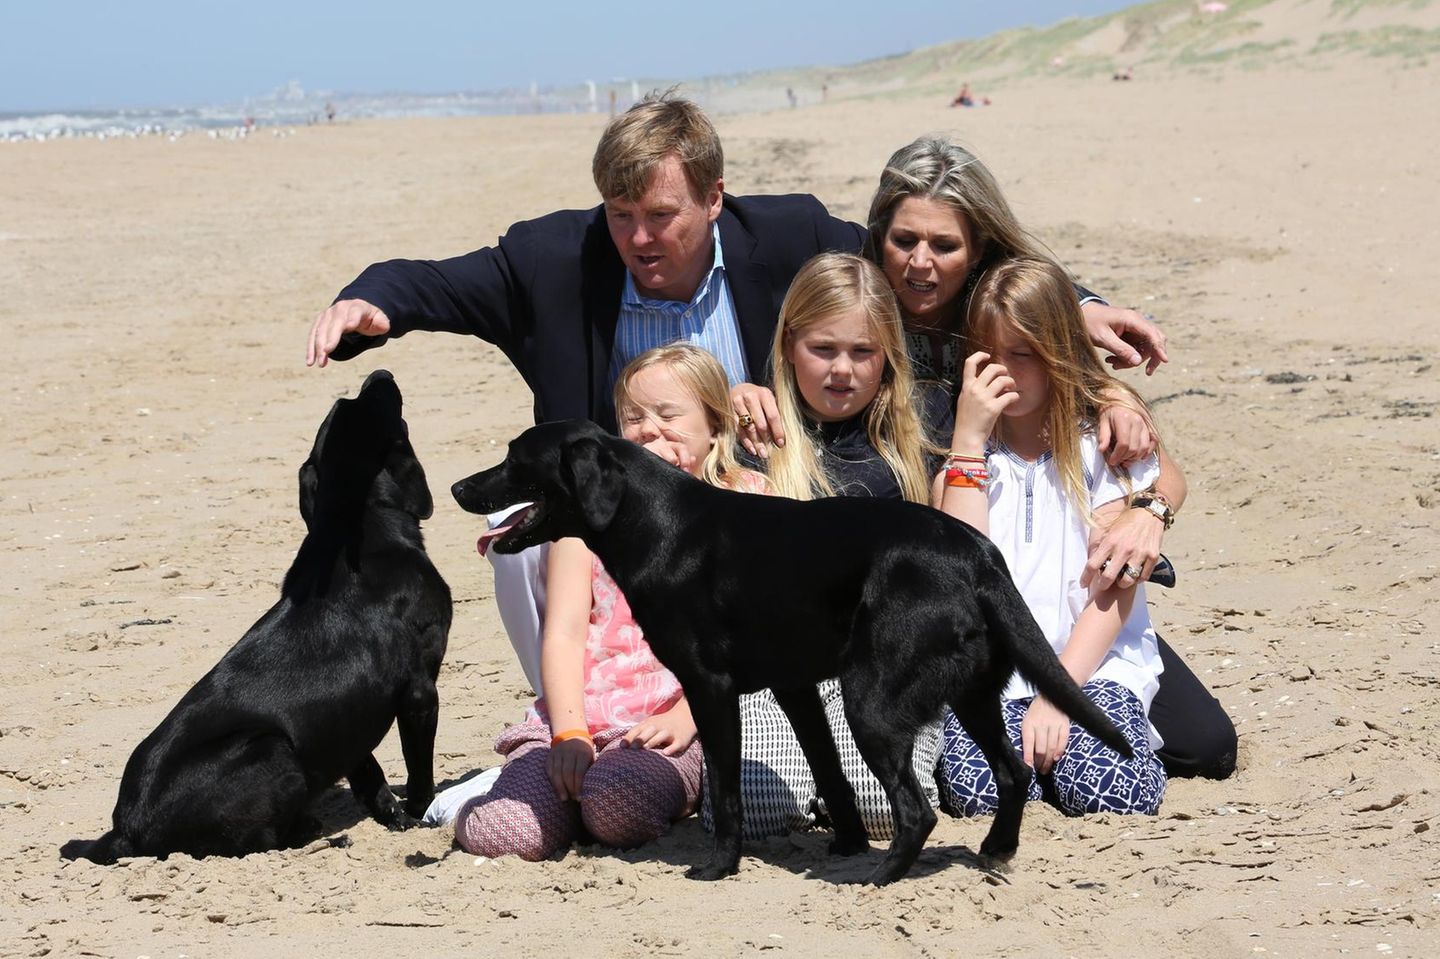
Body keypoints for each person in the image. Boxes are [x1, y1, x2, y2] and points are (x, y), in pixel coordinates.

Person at [860, 136, 1236, 779]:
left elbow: (1156, 470)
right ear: (878, 237)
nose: (920, 262)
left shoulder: (1008, 316)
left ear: (978, 246)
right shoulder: (861, 320)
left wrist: (1145, 507)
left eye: (944, 245)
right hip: (946, 602)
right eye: (903, 241)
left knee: (1203, 746)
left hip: (1057, 597)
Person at [455, 343, 768, 860]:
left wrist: (689, 716)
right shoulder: (581, 519)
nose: (649, 430)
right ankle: (490, 798)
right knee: (506, 834)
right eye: (633, 418)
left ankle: (595, 801)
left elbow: (756, 631)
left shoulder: (744, 504)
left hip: (667, 724)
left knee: (618, 809)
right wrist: (568, 733)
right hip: (580, 718)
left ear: (716, 427)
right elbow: (564, 632)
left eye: (669, 416)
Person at [703, 252, 952, 840]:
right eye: (823, 350)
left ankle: (833, 789)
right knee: (759, 809)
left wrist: (1122, 406)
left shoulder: (928, 421)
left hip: (883, 665)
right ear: (789, 344)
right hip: (773, 672)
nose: (842, 370)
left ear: (889, 356)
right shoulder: (752, 436)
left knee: (879, 804)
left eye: (863, 353)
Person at [935, 256, 1171, 815]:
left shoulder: (1102, 450)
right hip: (992, 680)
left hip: (1090, 669)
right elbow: (967, 576)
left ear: (1059, 355)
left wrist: (1059, 696)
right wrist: (968, 437)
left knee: (1113, 790)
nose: (1006, 372)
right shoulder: (961, 463)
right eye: (989, 356)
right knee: (979, 794)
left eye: (1024, 355)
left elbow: (1114, 586)